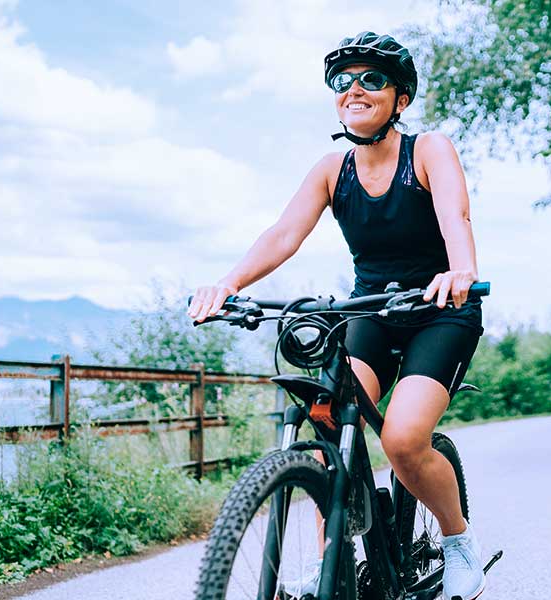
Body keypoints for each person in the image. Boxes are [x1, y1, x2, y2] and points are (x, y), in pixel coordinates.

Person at [188, 31, 486, 600]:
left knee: (401, 439)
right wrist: (228, 284)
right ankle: (336, 559)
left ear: (400, 99)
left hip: (439, 310)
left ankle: (456, 541)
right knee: (330, 425)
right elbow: (282, 234)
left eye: (372, 79)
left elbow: (456, 215)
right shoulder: (332, 169)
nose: (355, 89)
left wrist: (461, 271)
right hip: (370, 308)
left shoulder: (429, 150)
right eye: (343, 81)